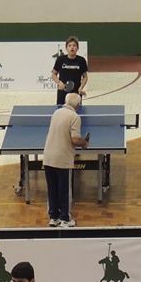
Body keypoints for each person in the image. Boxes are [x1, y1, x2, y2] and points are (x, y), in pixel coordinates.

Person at [42, 92, 88, 228]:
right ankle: (65, 219)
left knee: (52, 189)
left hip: (48, 157)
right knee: (64, 190)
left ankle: (53, 218)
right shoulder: (75, 117)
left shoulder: (56, 113)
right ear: (78, 104)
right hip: (62, 159)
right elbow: (75, 139)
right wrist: (84, 143)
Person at [51, 36, 88, 106]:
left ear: (77, 48)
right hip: (62, 92)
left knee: (77, 111)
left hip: (76, 93)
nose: (72, 47)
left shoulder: (81, 60)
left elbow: (85, 77)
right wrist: (59, 82)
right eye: (69, 45)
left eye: (74, 45)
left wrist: (81, 88)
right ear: (66, 48)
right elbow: (53, 74)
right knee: (61, 110)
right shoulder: (60, 59)